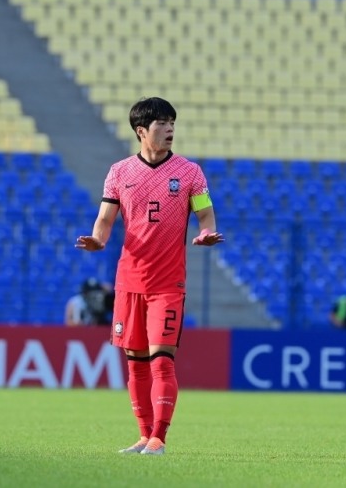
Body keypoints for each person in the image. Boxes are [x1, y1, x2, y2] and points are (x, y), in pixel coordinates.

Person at [76, 97, 223, 456]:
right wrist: (98, 239)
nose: (170, 128)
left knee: (161, 359)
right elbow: (106, 219)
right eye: (162, 123)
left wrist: (206, 232)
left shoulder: (189, 173)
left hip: (168, 283)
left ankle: (159, 438)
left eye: (172, 122)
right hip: (129, 281)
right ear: (142, 131)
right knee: (136, 362)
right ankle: (144, 436)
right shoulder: (120, 172)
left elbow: (205, 215)